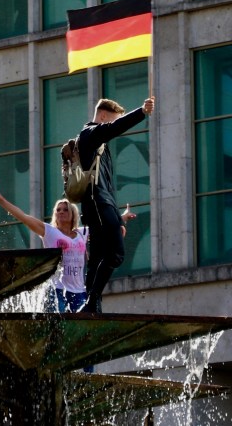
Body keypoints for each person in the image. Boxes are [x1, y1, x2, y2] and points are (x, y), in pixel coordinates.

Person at [76, 96, 154, 313]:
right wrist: (141, 112)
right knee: (116, 254)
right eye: (113, 120)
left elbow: (107, 187)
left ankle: (92, 306)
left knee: (98, 257)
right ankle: (91, 302)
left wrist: (118, 218)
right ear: (103, 116)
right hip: (99, 204)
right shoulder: (89, 134)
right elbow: (113, 128)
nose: (114, 127)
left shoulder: (99, 146)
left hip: (100, 206)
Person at [0, 187, 89, 313]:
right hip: (57, 289)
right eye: (58, 210)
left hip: (79, 291)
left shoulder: (82, 233)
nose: (61, 212)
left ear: (73, 214)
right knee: (58, 323)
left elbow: (107, 229)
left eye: (65, 209)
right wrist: (2, 201)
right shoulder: (50, 232)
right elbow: (24, 217)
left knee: (82, 323)